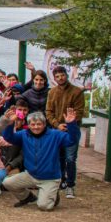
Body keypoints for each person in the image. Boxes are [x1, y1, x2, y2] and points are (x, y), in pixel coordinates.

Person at [2, 109, 80, 211]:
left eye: (39, 124)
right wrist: (10, 123)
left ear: (44, 124)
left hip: (50, 178)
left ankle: (53, 195)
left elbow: (72, 140)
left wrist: (72, 124)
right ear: (28, 125)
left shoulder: (55, 135)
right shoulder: (24, 134)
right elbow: (8, 138)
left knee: (44, 206)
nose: (36, 127)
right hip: (30, 175)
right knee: (7, 182)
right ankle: (27, 197)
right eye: (33, 124)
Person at [45, 66, 85, 199]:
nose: (60, 78)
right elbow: (48, 112)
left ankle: (70, 185)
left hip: (71, 130)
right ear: (54, 78)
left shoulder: (77, 92)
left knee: (70, 158)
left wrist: (69, 123)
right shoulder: (52, 92)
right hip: (56, 131)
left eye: (62, 75)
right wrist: (56, 124)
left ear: (66, 75)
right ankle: (61, 181)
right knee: (59, 158)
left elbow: (79, 112)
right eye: (57, 76)